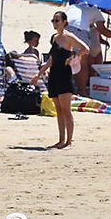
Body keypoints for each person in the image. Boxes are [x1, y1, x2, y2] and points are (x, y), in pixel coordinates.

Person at [41, 11, 88, 150]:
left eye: (57, 20)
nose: (54, 23)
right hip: (54, 74)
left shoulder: (69, 37)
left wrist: (74, 58)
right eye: (53, 20)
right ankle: (61, 140)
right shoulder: (55, 38)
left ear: (64, 22)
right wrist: (39, 74)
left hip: (64, 74)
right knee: (58, 110)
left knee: (66, 110)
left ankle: (69, 141)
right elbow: (51, 60)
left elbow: (85, 49)